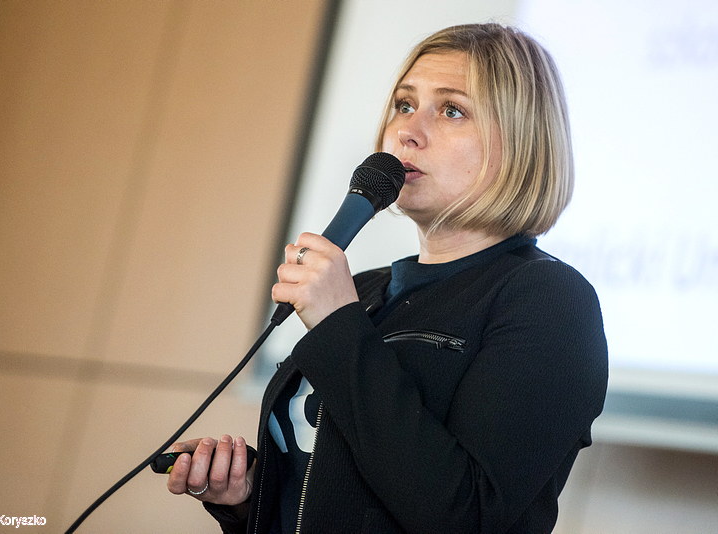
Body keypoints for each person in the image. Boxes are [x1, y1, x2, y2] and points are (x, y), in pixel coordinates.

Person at [166, 23, 608, 534]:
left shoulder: (550, 300)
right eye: (404, 104)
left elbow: (467, 516)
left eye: (452, 110)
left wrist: (338, 325)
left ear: (522, 143)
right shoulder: (366, 291)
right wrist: (250, 498)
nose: (408, 131)